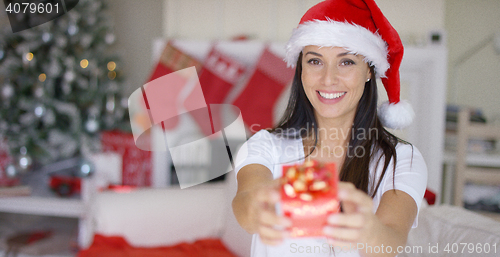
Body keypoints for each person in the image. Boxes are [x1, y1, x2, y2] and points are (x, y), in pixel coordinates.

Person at [232, 0, 427, 256]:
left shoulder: (401, 158)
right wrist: (258, 207)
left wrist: (367, 228)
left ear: (369, 70)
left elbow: (391, 243)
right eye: (315, 61)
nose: (328, 79)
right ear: (301, 69)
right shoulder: (265, 144)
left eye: (346, 62)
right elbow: (246, 201)